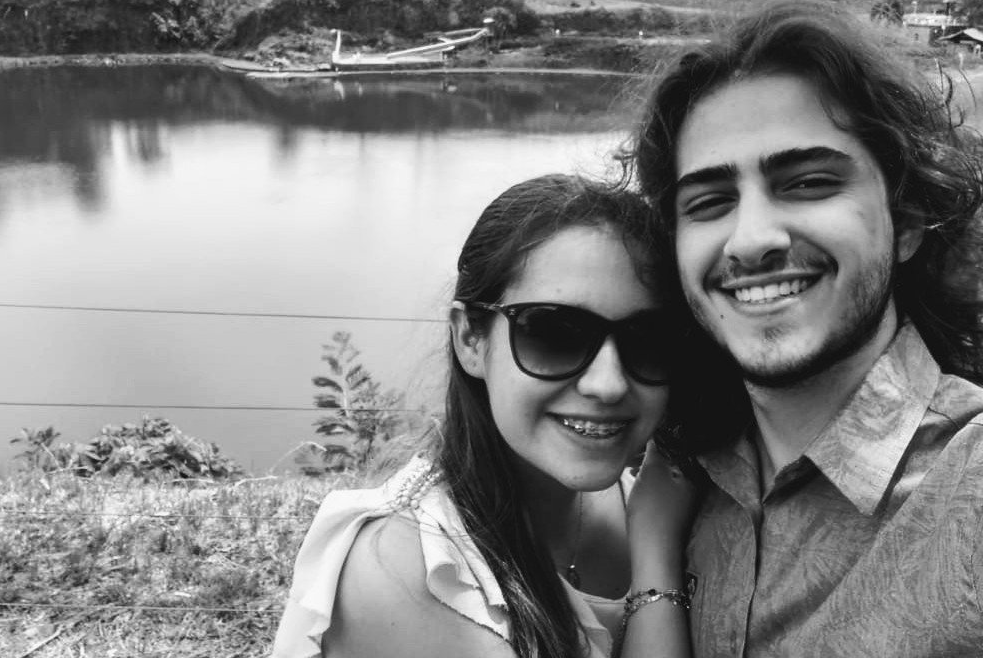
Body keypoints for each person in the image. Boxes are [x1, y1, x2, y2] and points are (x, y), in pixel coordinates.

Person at [628, 0, 983, 657]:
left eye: (807, 183)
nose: (750, 241)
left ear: (909, 222)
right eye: (710, 201)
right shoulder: (692, 478)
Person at [271, 174, 697, 658]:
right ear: (470, 339)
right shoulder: (407, 572)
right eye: (555, 334)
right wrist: (656, 552)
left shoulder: (634, 496)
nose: (609, 383)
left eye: (649, 339)